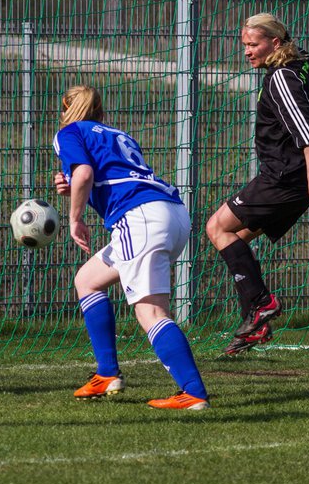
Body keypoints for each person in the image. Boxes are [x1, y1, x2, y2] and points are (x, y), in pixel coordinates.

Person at [52, 85, 210, 410]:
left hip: (140, 219)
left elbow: (83, 172)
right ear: (100, 110)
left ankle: (193, 392)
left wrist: (75, 218)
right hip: (171, 212)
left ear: (66, 108)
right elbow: (103, 178)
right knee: (87, 280)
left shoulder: (68, 132)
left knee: (150, 311)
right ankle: (107, 374)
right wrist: (76, 189)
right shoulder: (116, 134)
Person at [204, 13, 309, 356]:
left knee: (217, 227)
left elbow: (308, 131)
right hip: (293, 175)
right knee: (238, 239)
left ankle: (261, 305)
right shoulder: (304, 65)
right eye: (245, 45)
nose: (247, 52)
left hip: (287, 176)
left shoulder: (281, 78)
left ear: (275, 43)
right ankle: (255, 322)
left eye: (254, 45)